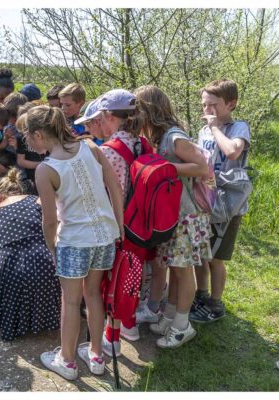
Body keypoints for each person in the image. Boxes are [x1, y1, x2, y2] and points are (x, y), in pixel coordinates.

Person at [26, 105, 123, 380]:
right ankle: (95, 355)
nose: (30, 144)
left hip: (74, 240)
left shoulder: (46, 169)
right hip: (104, 235)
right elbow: (114, 186)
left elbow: (49, 220)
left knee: (70, 301)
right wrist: (119, 224)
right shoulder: (91, 147)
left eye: (29, 139)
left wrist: (52, 248)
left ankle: (67, 360)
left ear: (39, 136)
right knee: (93, 294)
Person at [75, 88, 159, 354]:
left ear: (109, 116)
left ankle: (111, 339)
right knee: (130, 278)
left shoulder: (110, 151)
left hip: (114, 225)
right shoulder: (143, 143)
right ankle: (129, 325)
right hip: (141, 224)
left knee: (108, 283)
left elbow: (98, 190)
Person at [134, 85, 212, 349]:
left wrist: (164, 167)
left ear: (150, 110)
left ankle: (182, 326)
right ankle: (171, 316)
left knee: (182, 270)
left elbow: (200, 166)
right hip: (172, 215)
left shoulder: (175, 137)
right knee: (176, 270)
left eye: (139, 109)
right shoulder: (162, 136)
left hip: (186, 215)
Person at [0, 167, 61, 341]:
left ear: (1, 195)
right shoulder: (38, 201)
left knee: (14, 280)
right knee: (41, 279)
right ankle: (46, 322)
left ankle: (15, 326)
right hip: (46, 264)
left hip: (11, 269)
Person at [190, 79, 251, 323]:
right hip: (204, 201)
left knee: (216, 257)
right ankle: (200, 295)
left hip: (227, 205)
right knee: (200, 253)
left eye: (213, 105)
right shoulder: (204, 130)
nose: (207, 110)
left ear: (231, 104)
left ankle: (216, 304)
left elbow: (232, 152)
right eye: (204, 105)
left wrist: (215, 127)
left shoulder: (239, 128)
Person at [15, 102, 47, 192]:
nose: (25, 136)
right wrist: (41, 165)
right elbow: (20, 161)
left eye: (26, 132)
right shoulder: (21, 138)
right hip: (30, 176)